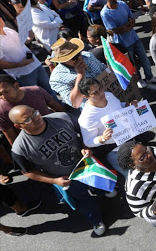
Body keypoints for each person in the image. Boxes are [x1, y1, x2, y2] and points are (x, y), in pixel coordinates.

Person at [10, 105, 108, 236]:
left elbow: (85, 130)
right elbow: (27, 171)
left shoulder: (62, 117)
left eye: (35, 112)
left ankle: (103, 191)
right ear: (18, 126)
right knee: (83, 201)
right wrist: (53, 180)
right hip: (67, 178)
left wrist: (86, 146)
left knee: (98, 183)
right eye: (27, 119)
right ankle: (96, 220)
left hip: (87, 164)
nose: (35, 118)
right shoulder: (20, 149)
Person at [77, 78, 136, 178]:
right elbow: (88, 141)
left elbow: (119, 106)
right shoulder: (86, 117)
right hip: (112, 148)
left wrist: (127, 105)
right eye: (94, 93)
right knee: (133, 174)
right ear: (86, 97)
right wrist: (102, 138)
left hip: (128, 136)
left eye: (100, 88)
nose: (101, 93)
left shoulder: (109, 95)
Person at [100, 0, 156, 88]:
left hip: (134, 38)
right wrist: (128, 25)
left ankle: (149, 77)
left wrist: (126, 26)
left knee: (144, 58)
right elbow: (116, 31)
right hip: (122, 43)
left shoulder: (122, 4)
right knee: (132, 63)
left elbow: (132, 20)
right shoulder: (104, 13)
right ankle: (138, 79)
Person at [0, 17, 56, 99]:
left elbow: (23, 44)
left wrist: (29, 38)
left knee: (49, 88)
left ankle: (59, 106)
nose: (0, 22)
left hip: (36, 65)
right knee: (36, 96)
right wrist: (19, 64)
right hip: (23, 74)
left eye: (0, 19)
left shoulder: (8, 30)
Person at [0, 74, 64, 146]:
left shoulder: (36, 90)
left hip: (56, 130)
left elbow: (59, 109)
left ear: (16, 86)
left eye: (6, 92)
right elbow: (12, 138)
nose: (3, 97)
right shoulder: (1, 110)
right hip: (37, 143)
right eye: (0, 94)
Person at [49, 37, 106, 108]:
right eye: (74, 57)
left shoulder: (88, 55)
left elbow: (105, 70)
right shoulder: (57, 78)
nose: (79, 57)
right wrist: (80, 75)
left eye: (79, 53)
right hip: (96, 108)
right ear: (63, 60)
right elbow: (75, 103)